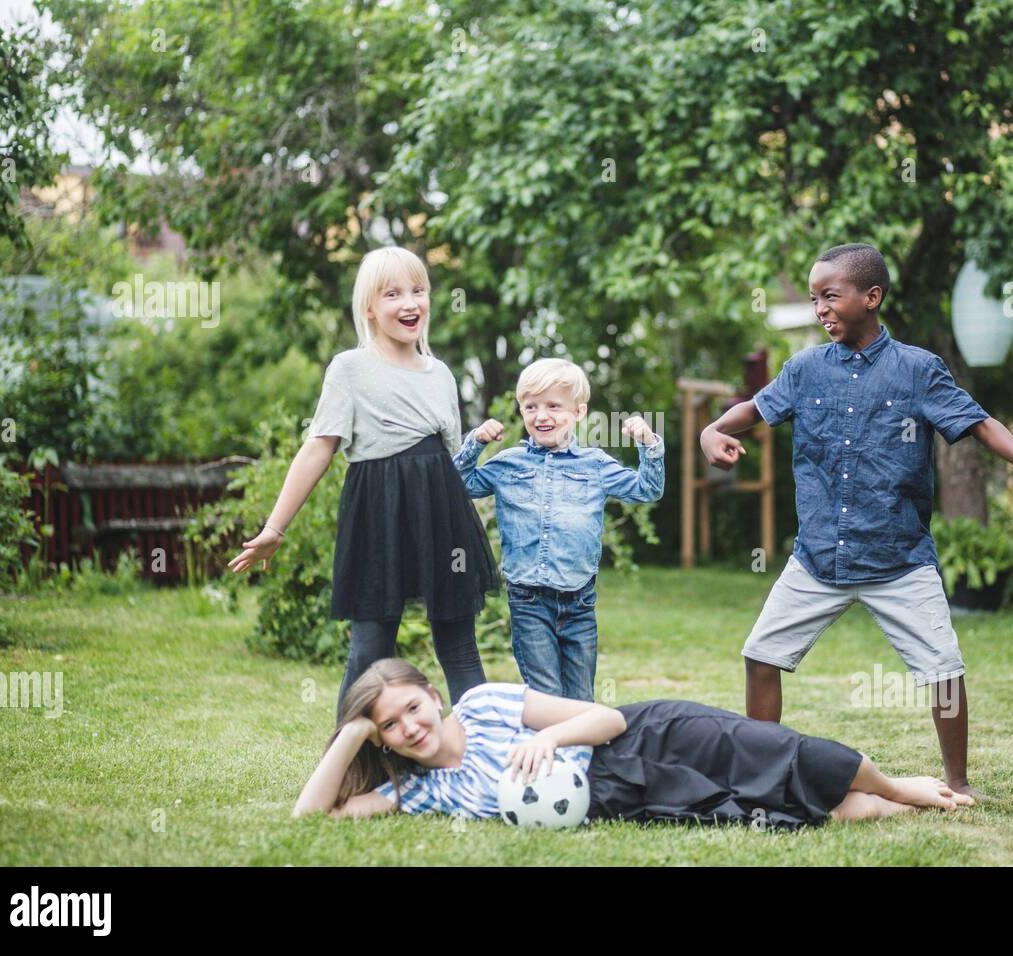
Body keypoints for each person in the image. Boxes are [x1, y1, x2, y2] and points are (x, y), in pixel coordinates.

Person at [700, 243, 1013, 801]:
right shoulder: (805, 369)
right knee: (761, 656)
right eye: (814, 298)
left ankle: (958, 785)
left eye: (829, 296)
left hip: (898, 557)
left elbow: (979, 422)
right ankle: (764, 780)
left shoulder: (917, 370)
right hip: (819, 556)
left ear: (872, 297)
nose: (820, 308)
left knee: (943, 669)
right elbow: (754, 408)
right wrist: (712, 430)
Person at [228, 247, 499, 716]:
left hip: (443, 517)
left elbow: (454, 462)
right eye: (393, 294)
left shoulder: (441, 375)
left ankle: (485, 759)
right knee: (370, 649)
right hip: (379, 515)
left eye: (418, 291)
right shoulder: (349, 369)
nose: (410, 303)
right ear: (369, 307)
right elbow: (318, 448)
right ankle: (347, 764)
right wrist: (274, 529)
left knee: (459, 647)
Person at [292, 659, 974, 826]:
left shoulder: (485, 702)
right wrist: (351, 732)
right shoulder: (417, 791)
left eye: (411, 707)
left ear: (432, 696)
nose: (409, 727)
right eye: (389, 725)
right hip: (622, 794)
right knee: (770, 811)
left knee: (773, 750)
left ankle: (895, 785)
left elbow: (606, 719)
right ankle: (901, 807)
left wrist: (550, 739)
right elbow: (310, 817)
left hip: (647, 732)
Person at [452, 358, 664, 701]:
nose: (542, 415)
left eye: (554, 406)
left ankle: (581, 754)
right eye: (531, 406)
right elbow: (458, 484)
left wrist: (649, 444)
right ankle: (546, 753)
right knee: (546, 695)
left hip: (579, 602)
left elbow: (647, 489)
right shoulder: (509, 463)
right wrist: (475, 442)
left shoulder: (595, 465)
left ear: (578, 413)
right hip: (528, 600)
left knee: (581, 697)